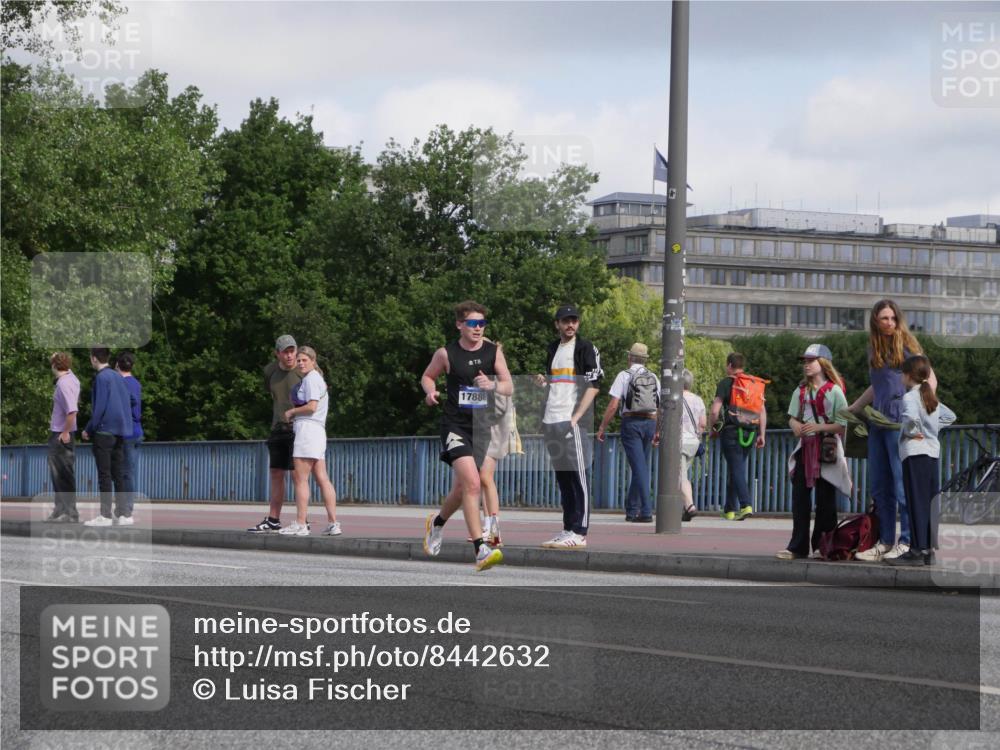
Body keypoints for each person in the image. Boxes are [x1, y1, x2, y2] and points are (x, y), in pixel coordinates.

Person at [421, 301, 512, 571]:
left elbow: (508, 386)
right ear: (460, 325)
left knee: (461, 490)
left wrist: (493, 384)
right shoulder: (446, 354)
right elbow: (427, 376)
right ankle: (480, 549)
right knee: (473, 483)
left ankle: (436, 523)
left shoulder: (493, 351)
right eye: (473, 323)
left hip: (482, 426)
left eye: (482, 323)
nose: (478, 328)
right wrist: (430, 391)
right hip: (455, 425)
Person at [851, 300, 937, 561]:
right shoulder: (874, 349)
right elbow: (879, 386)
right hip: (877, 424)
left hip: (899, 425)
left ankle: (907, 541)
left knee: (902, 486)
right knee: (879, 486)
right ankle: (885, 541)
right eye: (883, 319)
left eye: (892, 318)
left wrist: (922, 414)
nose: (888, 323)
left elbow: (930, 380)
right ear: (875, 321)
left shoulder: (908, 347)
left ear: (898, 319)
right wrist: (855, 406)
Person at [535, 305, 603, 548]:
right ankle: (567, 528)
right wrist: (544, 382)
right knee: (563, 478)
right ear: (557, 324)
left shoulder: (585, 348)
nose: (570, 325)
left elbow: (594, 385)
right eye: (565, 321)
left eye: (574, 320)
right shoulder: (553, 348)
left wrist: (575, 418)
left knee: (578, 476)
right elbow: (557, 384)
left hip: (570, 421)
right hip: (551, 420)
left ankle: (580, 532)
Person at [776, 344, 852, 560]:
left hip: (826, 449)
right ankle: (797, 547)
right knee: (800, 498)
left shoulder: (835, 391)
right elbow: (792, 417)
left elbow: (843, 424)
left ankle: (823, 546)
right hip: (805, 449)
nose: (806, 365)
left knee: (826, 500)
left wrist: (819, 428)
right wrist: (794, 425)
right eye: (805, 361)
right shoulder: (800, 391)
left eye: (811, 361)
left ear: (823, 363)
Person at [887, 355, 955, 567]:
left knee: (915, 501)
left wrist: (914, 433)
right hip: (932, 454)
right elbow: (949, 417)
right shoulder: (929, 395)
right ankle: (929, 551)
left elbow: (909, 419)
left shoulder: (909, 397)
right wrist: (931, 431)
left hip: (915, 453)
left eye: (902, 373)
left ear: (908, 375)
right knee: (929, 502)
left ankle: (916, 550)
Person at [279, 346, 341, 537]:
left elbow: (312, 406)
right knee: (322, 478)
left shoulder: (312, 379)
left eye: (304, 360)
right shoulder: (316, 379)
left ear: (313, 361)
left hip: (308, 428)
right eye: (299, 360)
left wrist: (291, 412)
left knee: (300, 478)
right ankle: (333, 523)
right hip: (318, 432)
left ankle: (301, 524)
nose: (300, 363)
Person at [597, 342, 659, 522]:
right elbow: (659, 406)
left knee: (639, 468)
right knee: (640, 467)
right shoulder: (654, 377)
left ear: (630, 358)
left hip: (631, 423)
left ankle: (646, 512)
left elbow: (614, 404)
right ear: (645, 360)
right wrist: (658, 430)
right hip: (650, 423)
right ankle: (632, 510)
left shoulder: (624, 375)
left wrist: (602, 426)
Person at [248, 335, 302, 533]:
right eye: (285, 352)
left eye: (292, 351)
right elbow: (271, 393)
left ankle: (301, 520)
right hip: (278, 427)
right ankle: (273, 519)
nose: (289, 356)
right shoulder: (270, 371)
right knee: (277, 473)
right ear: (277, 353)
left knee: (299, 476)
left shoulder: (305, 369)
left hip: (299, 428)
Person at [709, 352, 766, 520]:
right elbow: (762, 411)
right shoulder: (753, 383)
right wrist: (761, 434)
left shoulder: (726, 383)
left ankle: (745, 504)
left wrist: (714, 428)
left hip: (731, 430)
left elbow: (714, 410)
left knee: (736, 468)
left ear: (729, 365)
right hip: (750, 431)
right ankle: (729, 509)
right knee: (737, 468)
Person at [82, 347, 134, 526]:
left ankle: (105, 515)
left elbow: (99, 407)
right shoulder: (118, 377)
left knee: (104, 474)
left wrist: (88, 428)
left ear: (93, 359)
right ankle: (124, 514)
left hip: (104, 432)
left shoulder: (101, 378)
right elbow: (127, 402)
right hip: (120, 432)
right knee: (117, 474)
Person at [46, 352, 81, 523]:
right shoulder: (72, 378)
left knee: (61, 474)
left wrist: (65, 432)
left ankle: (69, 512)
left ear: (54, 366)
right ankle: (61, 509)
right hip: (64, 432)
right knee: (62, 473)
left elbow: (72, 411)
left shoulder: (63, 384)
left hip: (61, 434)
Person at [115, 352, 142, 517]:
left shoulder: (121, 384)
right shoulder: (136, 383)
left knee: (124, 473)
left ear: (118, 365)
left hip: (126, 432)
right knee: (130, 472)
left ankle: (125, 509)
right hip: (137, 431)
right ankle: (126, 507)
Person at [679, 368, 706, 522]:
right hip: (693, 443)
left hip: (678, 441)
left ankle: (690, 506)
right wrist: (698, 436)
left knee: (680, 477)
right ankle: (684, 509)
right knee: (683, 475)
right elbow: (702, 424)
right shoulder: (698, 399)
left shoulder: (673, 398)